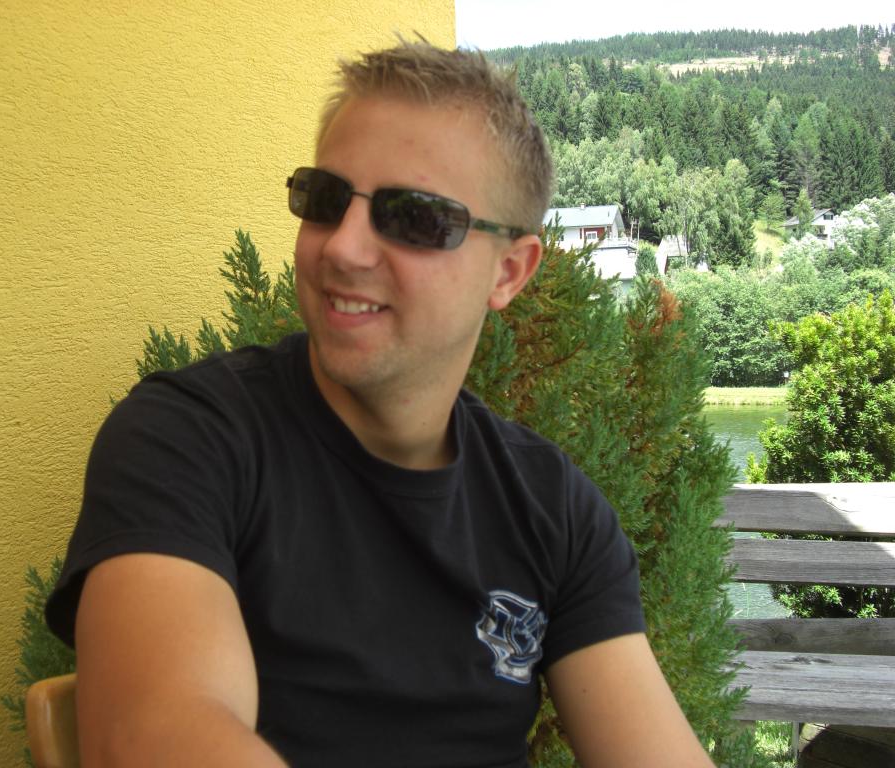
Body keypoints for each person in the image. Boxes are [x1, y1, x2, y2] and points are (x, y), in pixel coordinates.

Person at [45, 41, 715, 768]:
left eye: (415, 217)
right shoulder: (187, 441)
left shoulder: (553, 511)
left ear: (509, 271)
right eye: (325, 200)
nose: (343, 248)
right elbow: (155, 736)